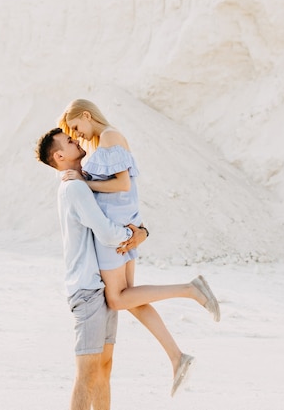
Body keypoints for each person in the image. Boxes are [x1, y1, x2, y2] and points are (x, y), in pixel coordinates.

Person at [58, 99, 220, 396]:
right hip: (126, 226)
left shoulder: (109, 136)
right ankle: (177, 356)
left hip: (116, 232)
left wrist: (83, 181)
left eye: (77, 128)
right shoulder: (103, 141)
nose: (78, 135)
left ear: (85, 115)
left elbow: (122, 185)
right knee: (130, 299)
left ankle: (190, 289)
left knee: (119, 300)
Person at [36, 127, 148, 410]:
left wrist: (139, 232)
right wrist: (135, 235)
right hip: (87, 289)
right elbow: (107, 233)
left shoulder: (82, 183)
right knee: (87, 374)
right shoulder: (73, 187)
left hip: (100, 287)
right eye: (70, 142)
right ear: (60, 156)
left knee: (104, 369)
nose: (77, 141)